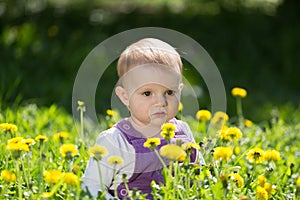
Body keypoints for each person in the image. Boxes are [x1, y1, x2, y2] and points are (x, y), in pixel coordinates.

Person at [81, 38, 204, 199]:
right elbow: (91, 188)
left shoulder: (183, 132)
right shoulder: (115, 141)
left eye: (169, 92)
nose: (161, 102)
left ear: (180, 90)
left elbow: (201, 175)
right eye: (147, 93)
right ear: (125, 97)